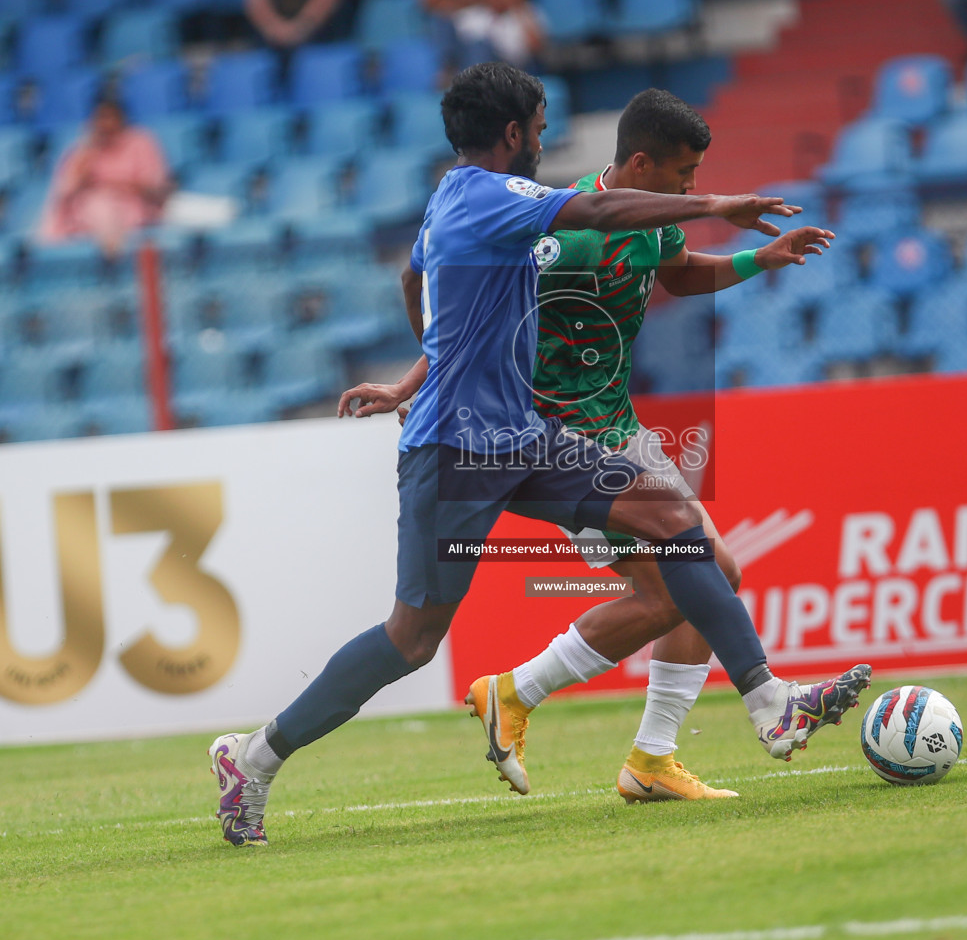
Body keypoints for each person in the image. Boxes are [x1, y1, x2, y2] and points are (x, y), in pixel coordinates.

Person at [203, 60, 872, 849]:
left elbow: (415, 274)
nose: (545, 142)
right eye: (542, 129)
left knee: (673, 521)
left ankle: (769, 704)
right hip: (457, 451)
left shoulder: (453, 200)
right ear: (514, 134)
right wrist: (717, 204)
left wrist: (423, 365)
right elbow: (593, 205)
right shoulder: (491, 195)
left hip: (523, 434)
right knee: (411, 640)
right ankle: (254, 757)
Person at [343, 89, 842, 803]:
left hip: (620, 424)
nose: (691, 187)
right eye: (683, 174)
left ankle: (635, 750)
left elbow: (677, 274)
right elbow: (471, 312)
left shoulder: (655, 220)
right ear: (640, 162)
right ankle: (533, 700)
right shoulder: (559, 230)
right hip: (559, 437)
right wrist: (410, 384)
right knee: (689, 579)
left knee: (708, 577)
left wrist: (760, 258)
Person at [37, 96, 170, 258]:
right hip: (86, 217)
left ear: (122, 118)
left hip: (134, 211)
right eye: (100, 118)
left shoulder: (141, 142)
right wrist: (86, 153)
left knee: (103, 207)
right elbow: (65, 192)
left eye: (110, 117)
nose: (105, 124)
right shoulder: (81, 149)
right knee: (88, 207)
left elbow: (156, 191)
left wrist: (116, 185)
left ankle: (113, 260)